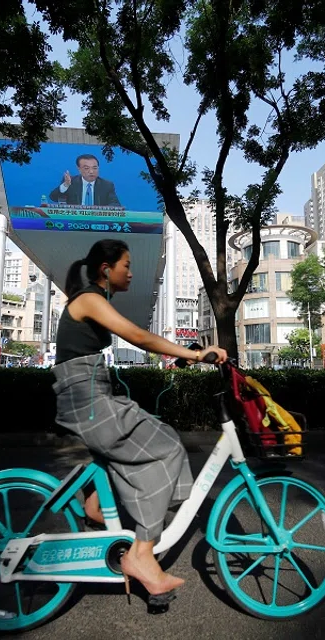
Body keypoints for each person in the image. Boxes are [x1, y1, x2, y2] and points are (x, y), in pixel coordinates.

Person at [52, 238, 227, 602]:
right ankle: (141, 554)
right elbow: (136, 336)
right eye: (127, 265)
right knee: (165, 447)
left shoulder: (92, 298)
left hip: (90, 397)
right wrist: (195, 355)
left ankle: (97, 508)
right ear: (106, 269)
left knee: (153, 436)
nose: (131, 272)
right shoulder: (88, 299)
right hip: (89, 402)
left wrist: (184, 357)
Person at [48, 154, 122, 207]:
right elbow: (53, 197)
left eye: (95, 168)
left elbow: (115, 204)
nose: (91, 171)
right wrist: (65, 185)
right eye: (86, 168)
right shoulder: (70, 182)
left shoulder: (107, 185)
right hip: (75, 221)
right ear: (79, 169)